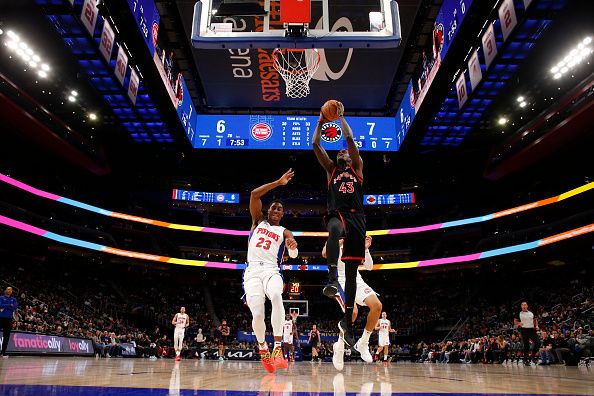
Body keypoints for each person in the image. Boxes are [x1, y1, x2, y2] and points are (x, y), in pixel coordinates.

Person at [313, 101, 365, 348]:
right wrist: (321, 123)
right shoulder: (331, 170)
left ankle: (348, 322)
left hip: (358, 218)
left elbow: (350, 141)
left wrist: (341, 118)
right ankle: (332, 277)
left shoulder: (357, 169)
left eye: (345, 152)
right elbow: (315, 144)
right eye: (340, 152)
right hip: (338, 213)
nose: (343, 153)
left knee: (353, 274)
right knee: (333, 229)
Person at [244, 169, 299, 373]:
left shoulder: (284, 231)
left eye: (279, 209)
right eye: (273, 207)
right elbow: (254, 195)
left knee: (276, 295)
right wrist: (278, 182)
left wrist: (293, 247)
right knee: (257, 315)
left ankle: (278, 347)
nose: (276, 210)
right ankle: (262, 348)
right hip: (252, 273)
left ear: (283, 214)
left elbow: (293, 256)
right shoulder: (257, 221)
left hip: (271, 270)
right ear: (268, 211)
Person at [324, 236, 382, 370]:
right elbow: (324, 253)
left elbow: (369, 267)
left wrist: (366, 250)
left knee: (377, 306)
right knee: (353, 312)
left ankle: (363, 342)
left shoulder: (356, 240)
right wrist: (340, 242)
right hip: (339, 280)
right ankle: (339, 347)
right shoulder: (334, 237)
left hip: (357, 280)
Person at [0, 287, 18, 358]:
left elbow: (14, 307)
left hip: (9, 319)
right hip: (0, 318)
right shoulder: (1, 297)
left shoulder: (14, 299)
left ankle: (3, 353)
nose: (9, 290)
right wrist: (9, 305)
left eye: (10, 290)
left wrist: (5, 306)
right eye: (8, 289)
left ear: (11, 292)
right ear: (5, 290)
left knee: (6, 336)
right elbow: (0, 305)